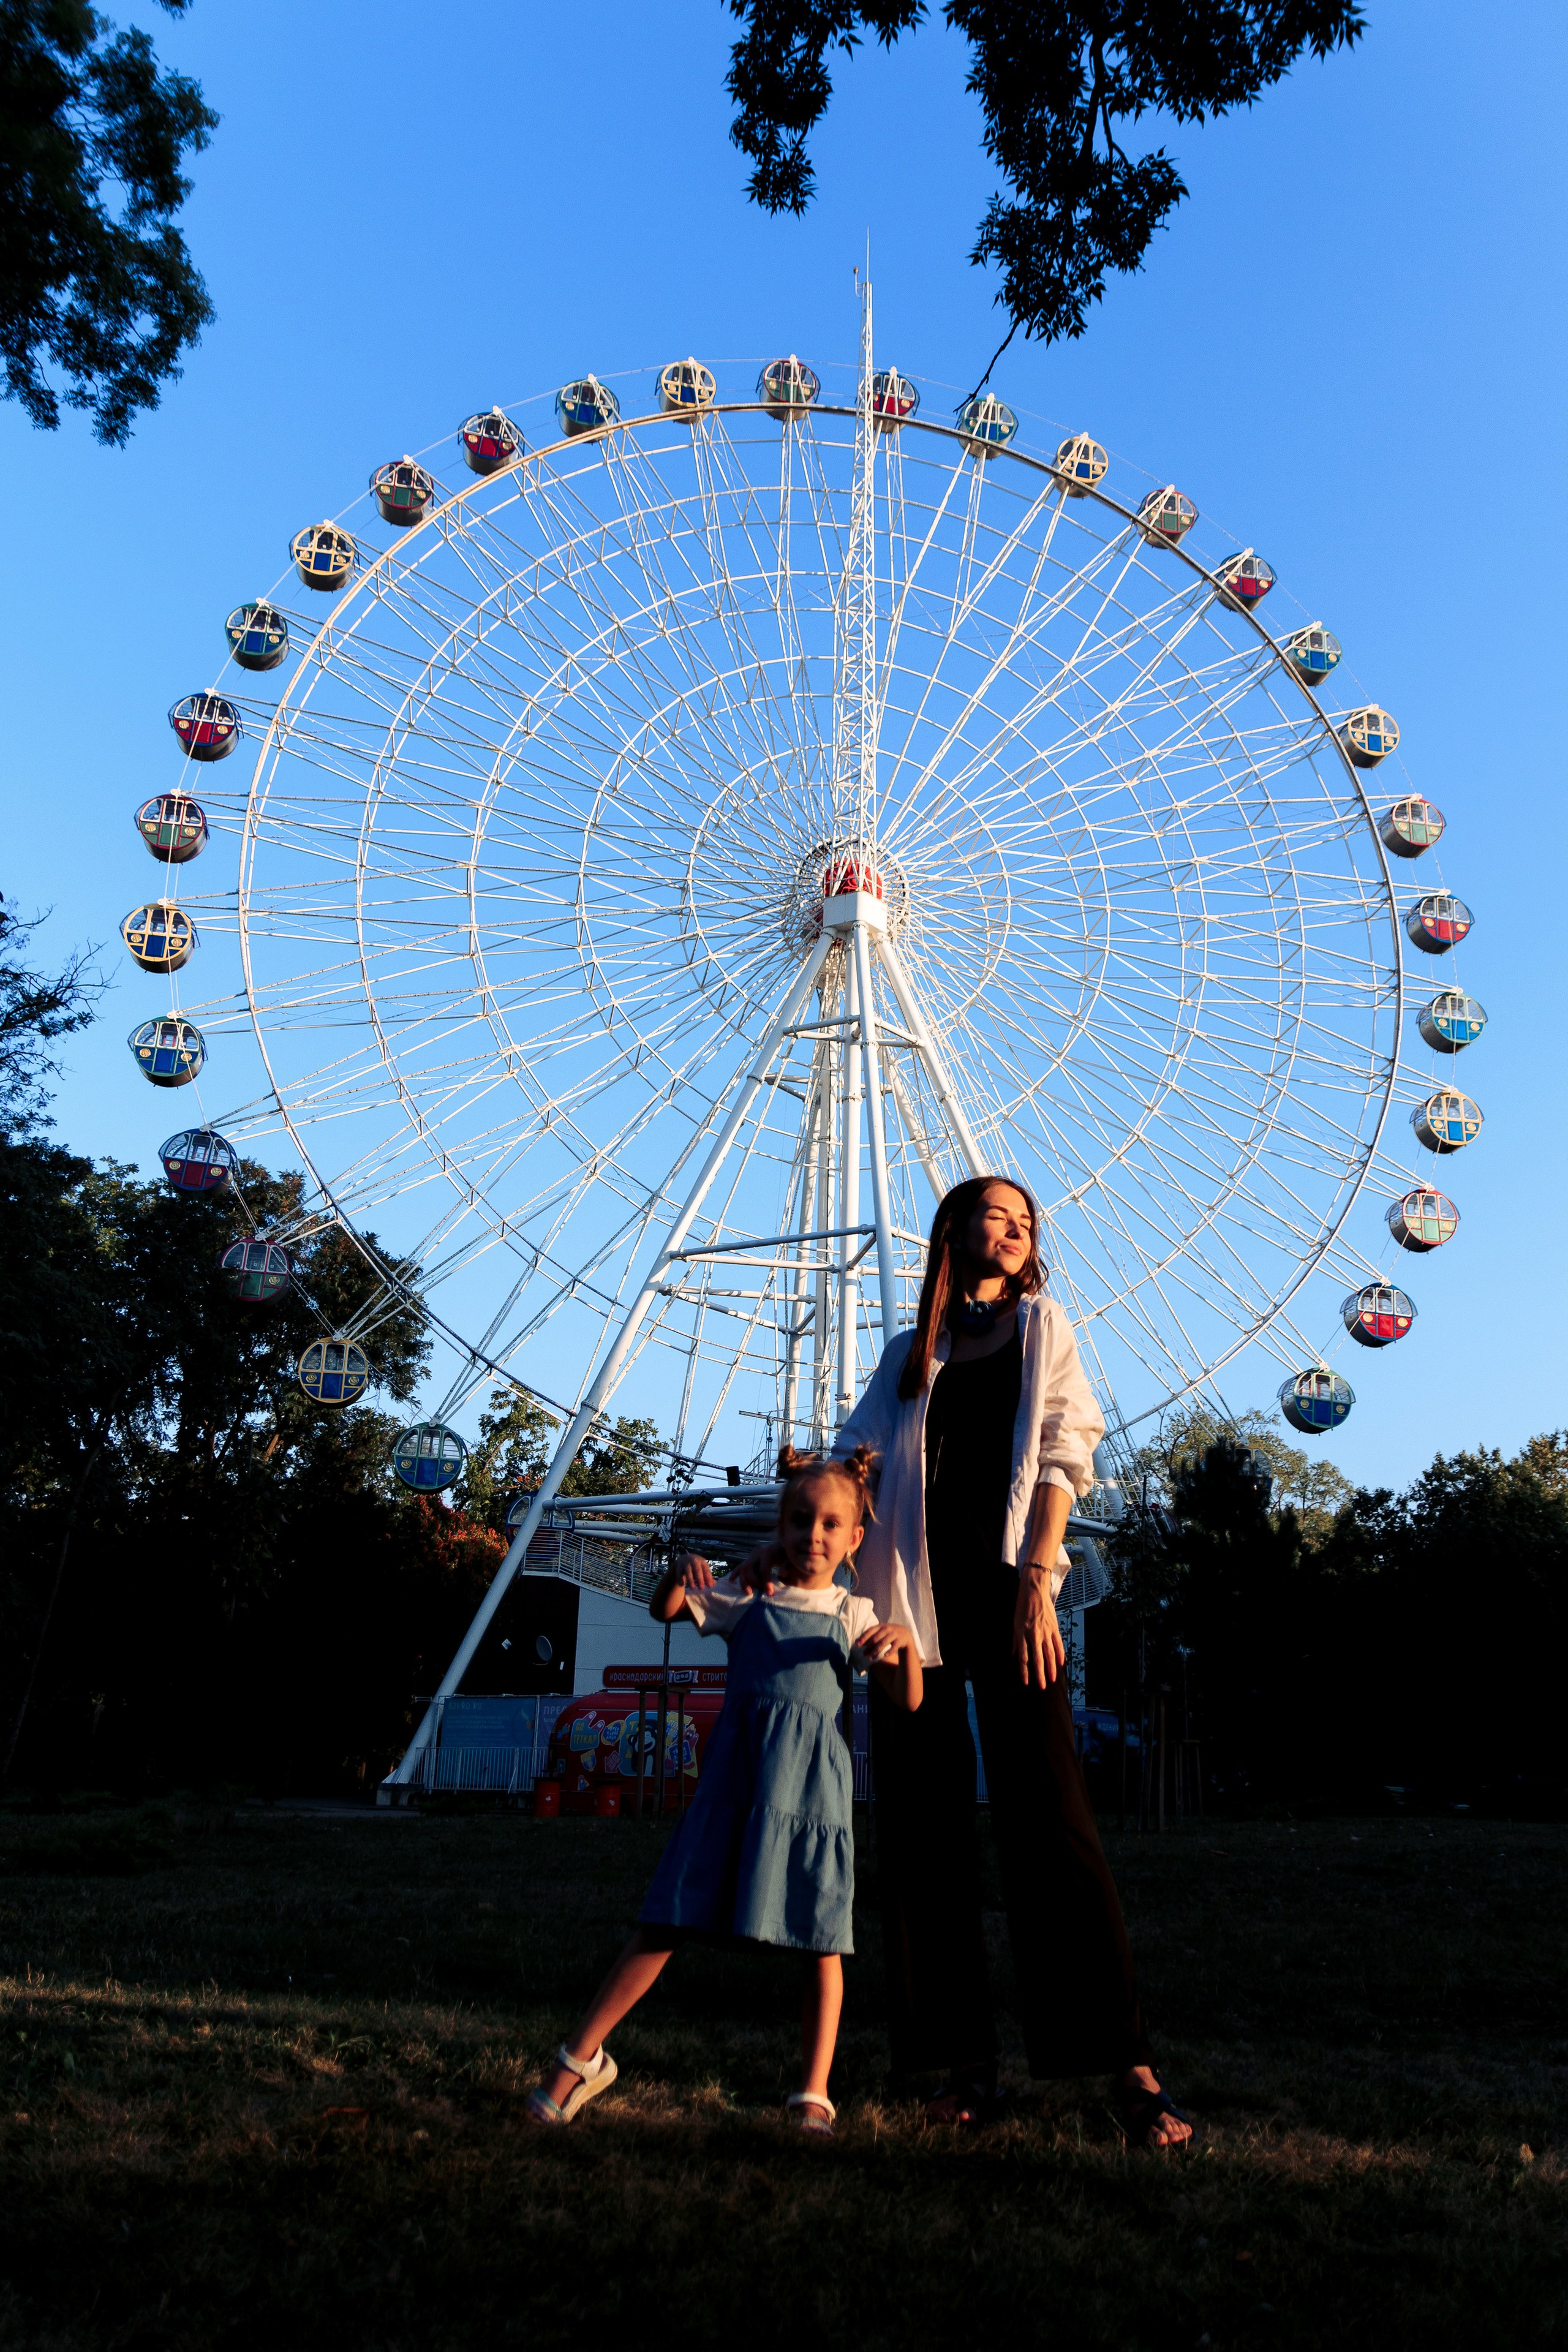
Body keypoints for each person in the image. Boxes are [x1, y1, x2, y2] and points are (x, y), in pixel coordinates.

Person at [833, 1175, 1193, 2149]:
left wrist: (1040, 1576)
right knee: (923, 1828)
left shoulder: (1043, 1333)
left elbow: (1064, 1450)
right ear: (953, 1230)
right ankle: (959, 2062)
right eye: (995, 1214)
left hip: (1008, 1594)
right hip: (910, 1607)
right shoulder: (911, 1355)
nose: (1013, 1229)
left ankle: (1126, 2065)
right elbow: (856, 1456)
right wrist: (824, 1483)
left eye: (1024, 1221)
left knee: (1054, 1819)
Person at [526, 1446, 923, 2136]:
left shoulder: (856, 1614)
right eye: (801, 1520)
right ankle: (577, 2061)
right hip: (734, 1787)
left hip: (809, 1801)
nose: (814, 1536)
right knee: (665, 1922)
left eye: (832, 1525)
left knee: (821, 1943)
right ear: (781, 1524)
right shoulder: (748, 1594)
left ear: (855, 1538)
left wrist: (907, 1649)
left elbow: (908, 1699)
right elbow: (669, 1610)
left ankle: (812, 2092)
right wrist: (680, 1575)